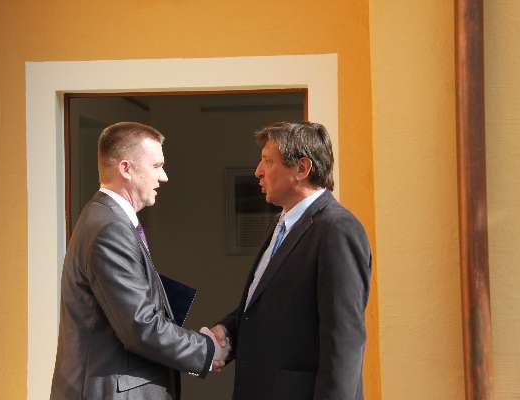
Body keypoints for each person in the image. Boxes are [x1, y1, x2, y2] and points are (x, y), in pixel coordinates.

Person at [50, 122, 222, 400]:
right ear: (126, 169)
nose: (164, 177)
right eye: (156, 166)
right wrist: (207, 350)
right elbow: (140, 327)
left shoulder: (106, 219)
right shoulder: (110, 228)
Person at [209, 122, 372, 400]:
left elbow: (343, 339)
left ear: (302, 168)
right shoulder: (280, 224)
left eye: (268, 161)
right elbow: (266, 308)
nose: (258, 171)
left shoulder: (337, 229)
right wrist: (226, 332)